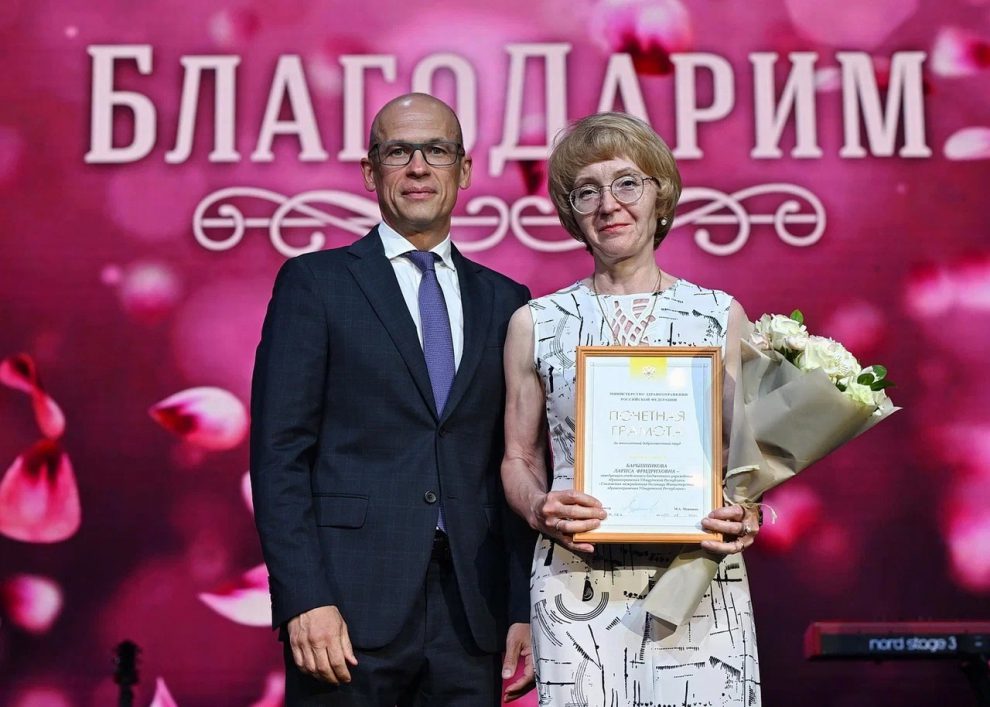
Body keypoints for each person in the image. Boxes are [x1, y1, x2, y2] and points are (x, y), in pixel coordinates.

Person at [250, 93, 536, 706]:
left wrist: (521, 605)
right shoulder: (315, 284)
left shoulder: (508, 300)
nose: (418, 167)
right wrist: (304, 597)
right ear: (370, 171)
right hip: (345, 609)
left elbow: (517, 459)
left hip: (473, 612)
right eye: (399, 151)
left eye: (436, 150)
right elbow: (279, 455)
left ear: (464, 169)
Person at [501, 112, 763, 706]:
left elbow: (750, 458)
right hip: (575, 585)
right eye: (586, 191)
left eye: (627, 183)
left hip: (697, 579)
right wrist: (539, 507)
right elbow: (518, 457)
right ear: (571, 212)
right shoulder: (537, 323)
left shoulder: (718, 316)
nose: (608, 204)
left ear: (660, 196)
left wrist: (747, 511)